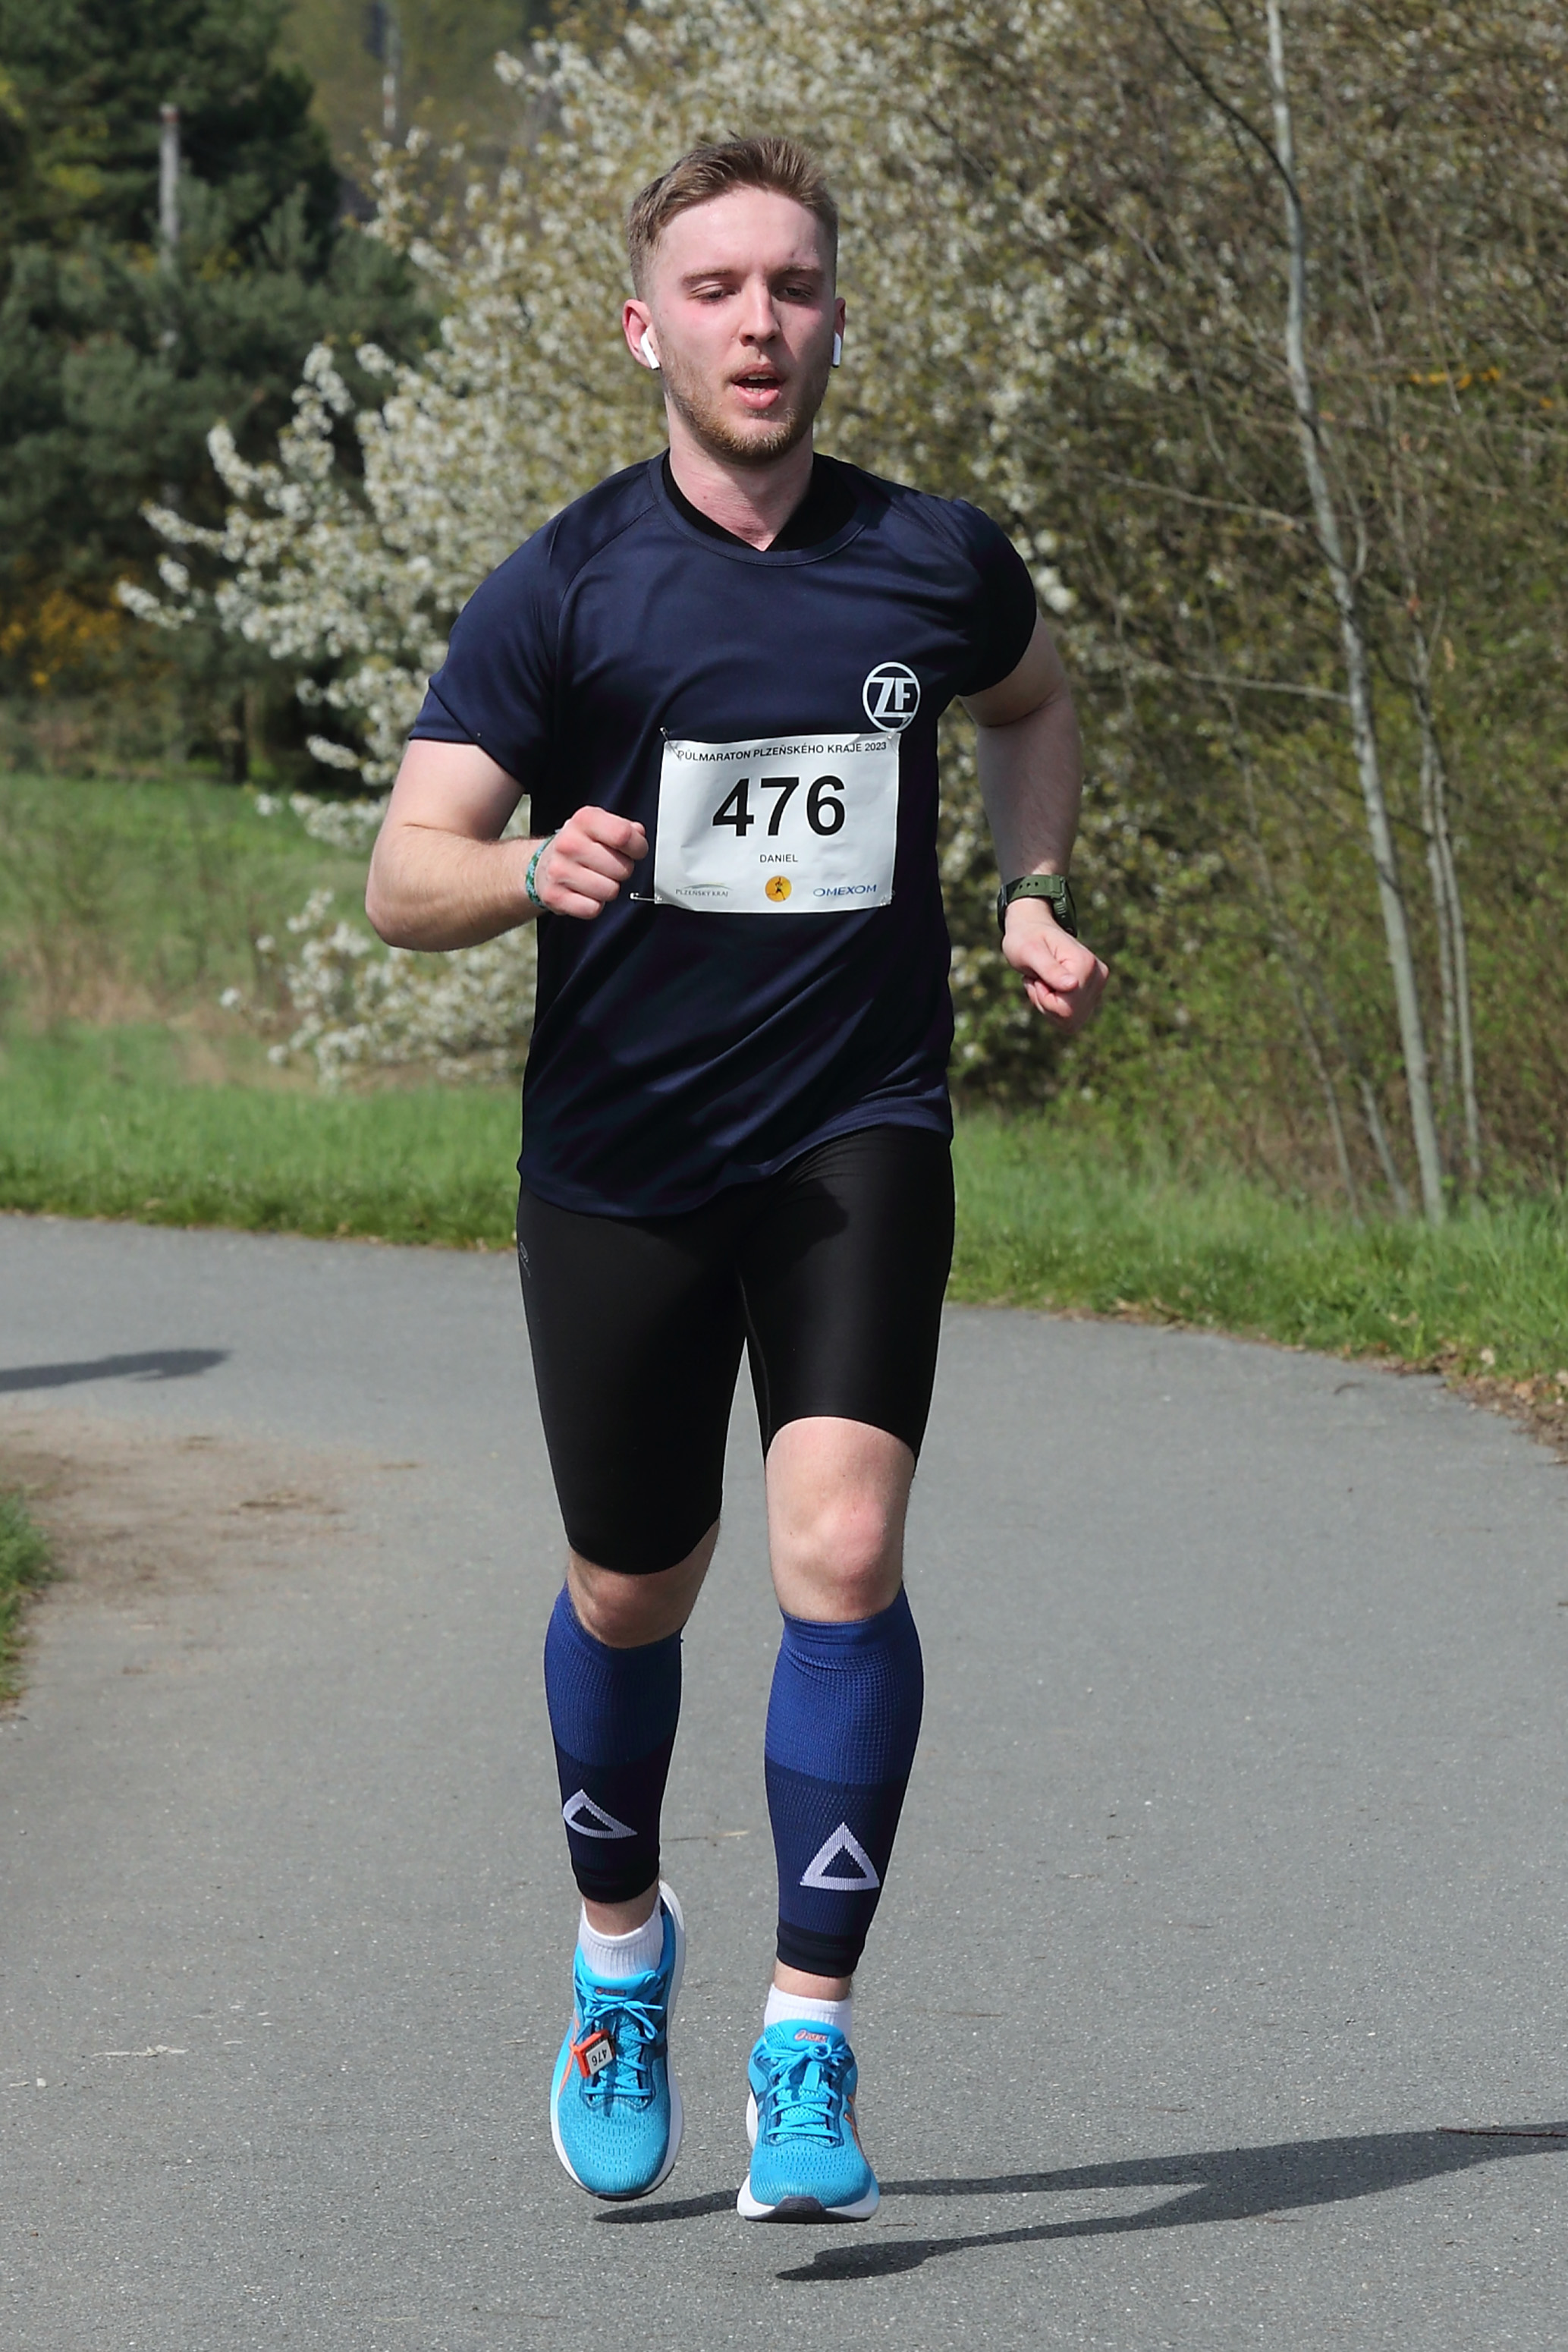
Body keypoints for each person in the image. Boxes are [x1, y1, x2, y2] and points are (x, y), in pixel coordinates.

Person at [366, 135, 1106, 2222]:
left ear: (836, 316)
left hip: (855, 1124)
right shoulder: (568, 584)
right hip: (624, 1155)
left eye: (791, 284)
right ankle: (621, 1960)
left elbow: (1035, 699)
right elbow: (403, 872)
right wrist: (526, 866)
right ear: (646, 330)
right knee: (635, 1583)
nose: (758, 323)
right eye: (714, 290)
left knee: (842, 1548)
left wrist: (1029, 885)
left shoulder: (932, 562)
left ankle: (807, 2028)